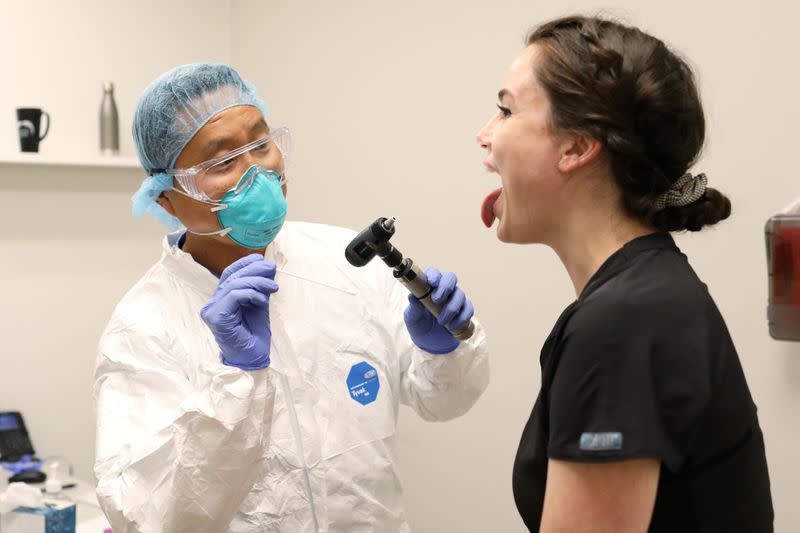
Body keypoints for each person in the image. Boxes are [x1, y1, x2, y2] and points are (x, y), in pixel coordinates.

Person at [93, 63, 489, 533]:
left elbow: (443, 402)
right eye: (222, 163)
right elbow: (151, 515)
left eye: (261, 144)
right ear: (166, 199)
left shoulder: (346, 264)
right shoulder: (142, 327)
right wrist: (234, 381)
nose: (258, 172)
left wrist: (441, 349)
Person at [476, 15, 773, 533]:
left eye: (505, 111)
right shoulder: (644, 295)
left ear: (576, 147)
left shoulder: (623, 322)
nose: (484, 136)